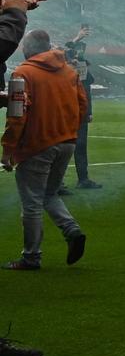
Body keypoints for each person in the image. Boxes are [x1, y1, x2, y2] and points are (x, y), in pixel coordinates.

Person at [1, 30, 88, 271]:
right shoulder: (69, 71)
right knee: (50, 194)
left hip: (37, 146)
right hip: (67, 142)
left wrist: (7, 150)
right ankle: (72, 230)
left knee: (31, 203)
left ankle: (31, 257)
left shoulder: (23, 73)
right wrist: (69, 131)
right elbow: (82, 105)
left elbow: (17, 116)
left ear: (27, 49)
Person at [63, 25, 100, 190]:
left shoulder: (84, 68)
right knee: (62, 147)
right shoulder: (62, 66)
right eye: (77, 49)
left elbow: (87, 91)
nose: (80, 53)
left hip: (80, 112)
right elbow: (62, 52)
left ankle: (83, 179)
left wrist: (89, 111)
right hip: (66, 112)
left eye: (82, 49)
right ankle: (58, 183)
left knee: (81, 146)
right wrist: (76, 38)